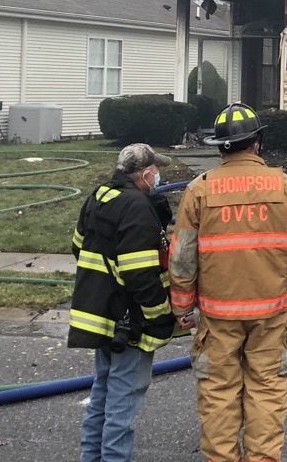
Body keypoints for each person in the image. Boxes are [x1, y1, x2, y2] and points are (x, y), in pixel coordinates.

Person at [169, 102, 287, 462]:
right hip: (270, 316)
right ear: (257, 142)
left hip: (217, 317)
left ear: (221, 146)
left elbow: (181, 257)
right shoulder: (285, 186)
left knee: (219, 395)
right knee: (267, 392)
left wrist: (181, 306)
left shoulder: (199, 190)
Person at [68, 143, 176, 462]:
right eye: (156, 170)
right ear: (145, 174)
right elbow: (140, 274)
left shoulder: (99, 195)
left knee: (101, 396)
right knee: (121, 408)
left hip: (99, 314)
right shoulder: (136, 207)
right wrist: (160, 315)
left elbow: (78, 246)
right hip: (128, 323)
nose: (159, 175)